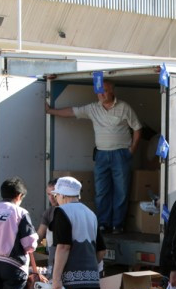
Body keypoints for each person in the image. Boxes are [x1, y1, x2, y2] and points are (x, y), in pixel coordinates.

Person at [45, 80, 142, 234]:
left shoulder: (124, 107)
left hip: (120, 154)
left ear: (112, 91)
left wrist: (131, 150)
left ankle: (118, 225)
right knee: (102, 190)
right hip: (102, 154)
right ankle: (103, 223)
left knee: (121, 191)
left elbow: (137, 128)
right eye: (99, 91)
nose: (101, 95)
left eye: (105, 91)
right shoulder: (93, 108)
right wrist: (51, 111)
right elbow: (72, 112)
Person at [37, 178, 58, 256]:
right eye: (49, 194)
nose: (51, 198)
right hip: (52, 255)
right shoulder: (48, 212)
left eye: (53, 194)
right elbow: (40, 235)